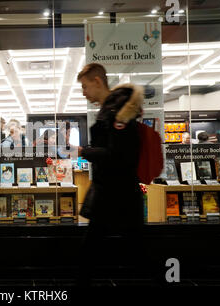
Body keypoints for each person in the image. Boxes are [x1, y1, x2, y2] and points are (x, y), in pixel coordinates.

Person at [76, 63, 145, 287]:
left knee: (97, 246)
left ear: (98, 82)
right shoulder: (112, 110)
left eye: (85, 86)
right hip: (115, 191)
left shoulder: (117, 113)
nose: (83, 92)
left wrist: (84, 151)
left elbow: (116, 155)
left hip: (116, 192)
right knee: (128, 244)